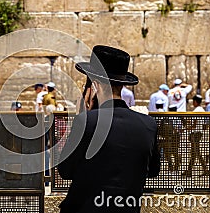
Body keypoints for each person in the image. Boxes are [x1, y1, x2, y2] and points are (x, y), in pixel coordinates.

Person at [58, 45, 160, 213]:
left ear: (95, 86)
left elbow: (65, 170)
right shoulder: (148, 125)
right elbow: (153, 170)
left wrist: (82, 118)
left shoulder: (86, 121)